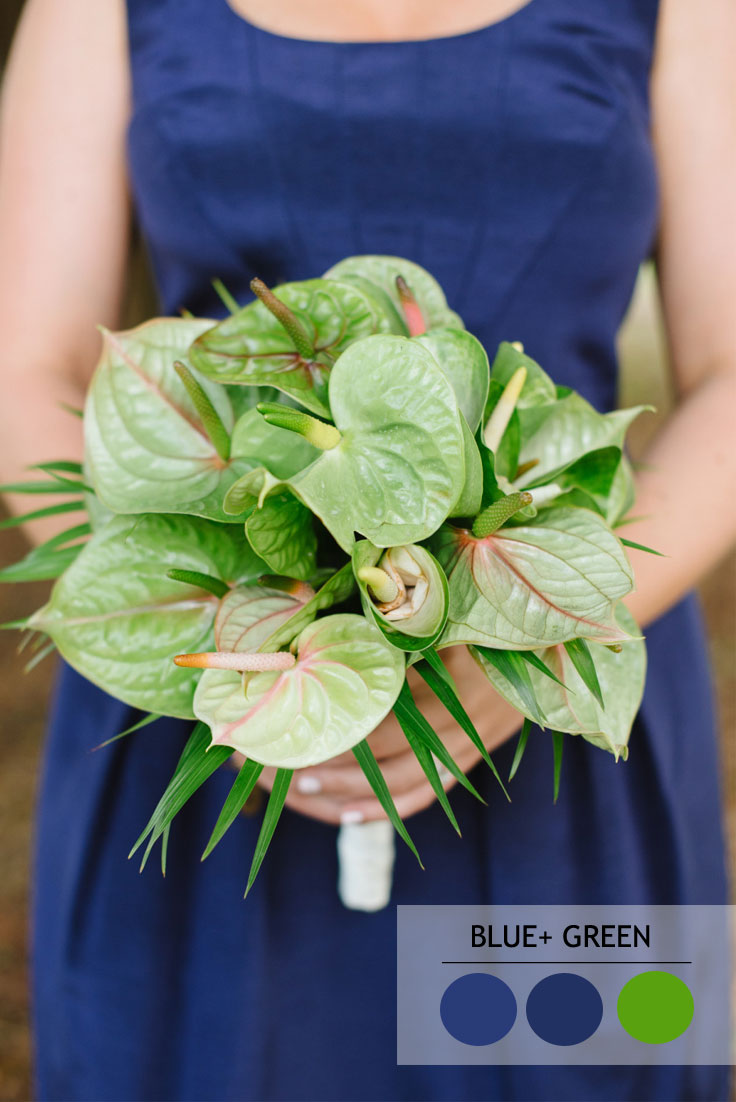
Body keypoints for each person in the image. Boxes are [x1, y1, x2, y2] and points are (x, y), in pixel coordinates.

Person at [1, 0, 734, 1099]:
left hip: (555, 697)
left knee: (581, 1068)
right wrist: (242, 647)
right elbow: (31, 364)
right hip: (215, 700)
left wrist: (513, 643)